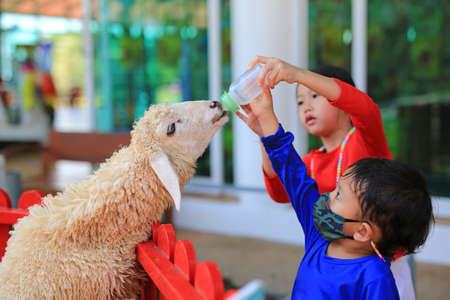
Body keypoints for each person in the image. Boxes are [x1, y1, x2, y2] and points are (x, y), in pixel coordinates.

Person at [236, 56, 415, 299]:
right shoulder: (311, 161)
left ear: (340, 100)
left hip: (380, 266)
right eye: (300, 101)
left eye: (315, 96)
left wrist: (296, 74)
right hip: (335, 259)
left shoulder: (365, 141)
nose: (306, 106)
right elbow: (280, 191)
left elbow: (365, 108)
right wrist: (262, 132)